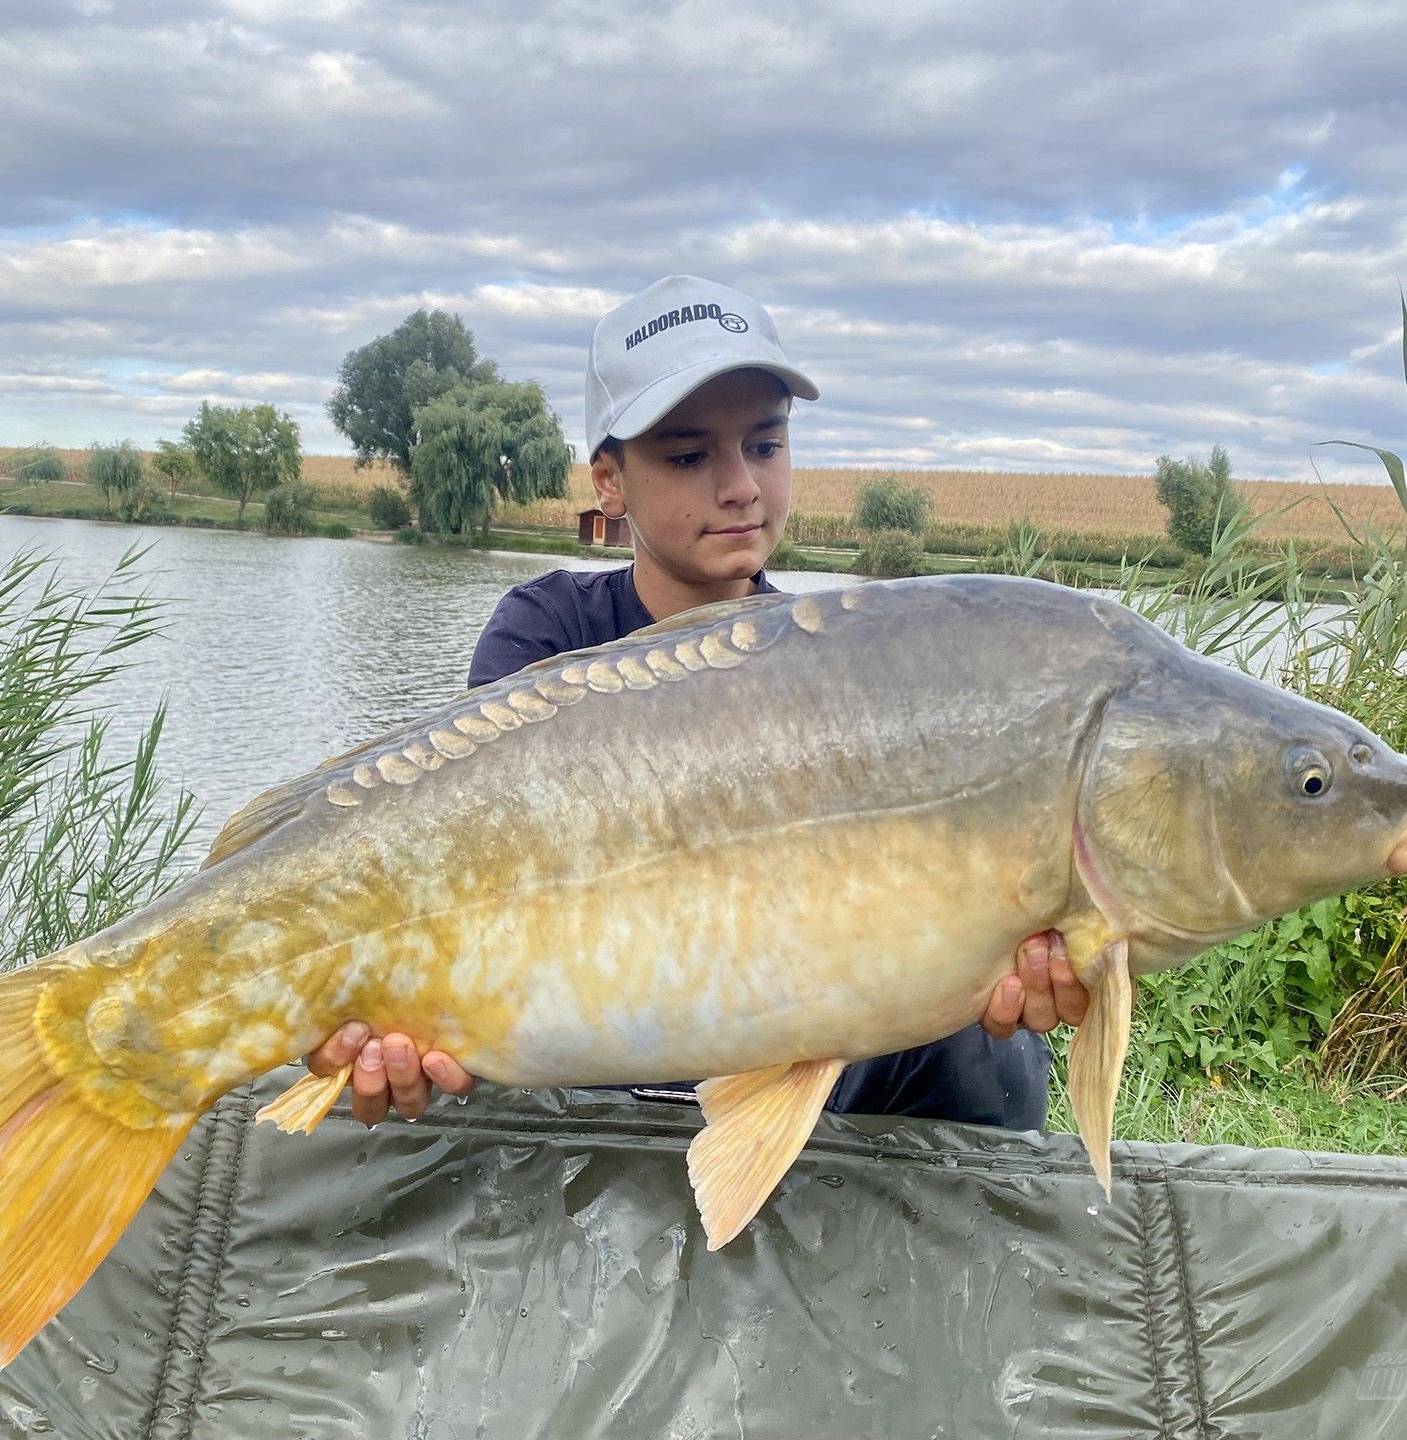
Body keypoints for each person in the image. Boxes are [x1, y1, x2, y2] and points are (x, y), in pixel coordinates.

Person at [310, 275, 1088, 1128]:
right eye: (689, 456)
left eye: (765, 445)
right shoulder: (546, 631)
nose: (740, 486)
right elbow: (474, 858)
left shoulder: (841, 658)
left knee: (995, 1057)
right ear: (609, 482)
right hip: (593, 1011)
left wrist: (974, 958)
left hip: (782, 1008)